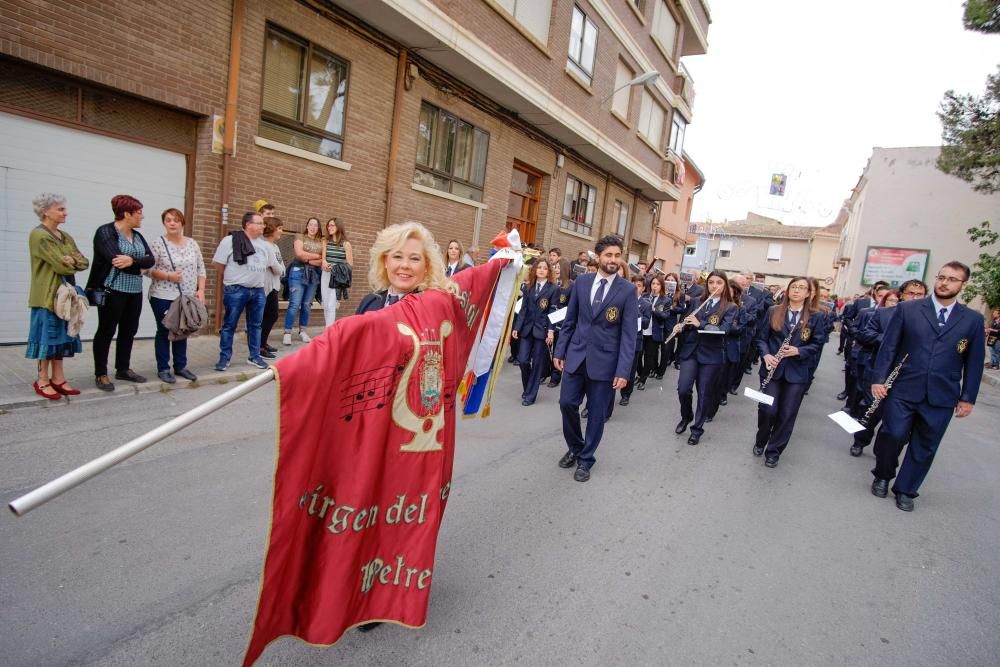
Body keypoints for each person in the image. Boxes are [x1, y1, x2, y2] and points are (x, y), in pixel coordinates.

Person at [869, 262, 985, 511]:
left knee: (926, 445)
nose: (944, 282)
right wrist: (879, 379)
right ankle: (882, 474)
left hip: (942, 394)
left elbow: (974, 362)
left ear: (963, 284)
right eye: (941, 277)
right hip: (903, 388)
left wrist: (968, 397)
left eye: (952, 279)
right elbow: (889, 347)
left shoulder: (973, 320)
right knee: (892, 434)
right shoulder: (908, 310)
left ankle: (906, 489)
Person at [553, 235, 638, 482]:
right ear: (598, 256)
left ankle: (586, 459)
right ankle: (576, 446)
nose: (613, 260)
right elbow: (570, 321)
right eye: (608, 255)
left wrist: (623, 371)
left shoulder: (628, 291)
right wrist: (560, 351)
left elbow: (629, 335)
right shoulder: (582, 283)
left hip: (606, 363)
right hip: (576, 357)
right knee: (567, 404)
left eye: (617, 255)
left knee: (597, 414)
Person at [752, 276, 828, 467]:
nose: (796, 291)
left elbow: (818, 343)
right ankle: (761, 439)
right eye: (794, 287)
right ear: (788, 290)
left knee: (787, 413)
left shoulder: (816, 316)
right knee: (768, 410)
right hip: (772, 369)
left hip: (797, 372)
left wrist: (799, 351)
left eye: (802, 288)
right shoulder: (773, 311)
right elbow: (761, 338)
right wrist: (766, 355)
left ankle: (774, 451)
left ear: (809, 293)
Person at [87, 194, 155, 392]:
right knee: (106, 331)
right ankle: (101, 373)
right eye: (139, 212)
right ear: (126, 214)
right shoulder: (106, 233)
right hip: (112, 291)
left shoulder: (137, 235)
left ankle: (123, 369)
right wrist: (138, 264)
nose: (142, 216)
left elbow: (150, 260)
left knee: (129, 331)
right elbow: (115, 260)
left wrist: (133, 261)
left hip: (134, 292)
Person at [26, 193, 89, 399]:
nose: (65, 212)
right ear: (45, 211)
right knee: (48, 337)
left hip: (67, 294)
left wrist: (71, 260)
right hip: (48, 295)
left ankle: (58, 378)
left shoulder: (66, 236)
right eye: (60, 209)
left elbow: (83, 262)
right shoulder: (39, 235)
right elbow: (60, 264)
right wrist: (69, 260)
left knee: (62, 337)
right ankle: (42, 380)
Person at [213, 211, 281, 371]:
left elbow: (271, 265)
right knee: (230, 324)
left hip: (258, 291)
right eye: (259, 223)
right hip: (236, 289)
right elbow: (218, 264)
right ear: (248, 224)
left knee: (256, 325)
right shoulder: (229, 241)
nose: (263, 226)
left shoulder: (265, 245)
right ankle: (224, 358)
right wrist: (234, 278)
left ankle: (254, 356)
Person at [672, 270, 735, 445]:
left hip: (711, 354)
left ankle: (697, 429)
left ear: (725, 285)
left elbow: (725, 330)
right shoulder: (697, 302)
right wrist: (680, 326)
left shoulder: (730, 307)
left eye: (719, 283)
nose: (714, 286)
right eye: (711, 282)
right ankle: (686, 416)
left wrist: (701, 324)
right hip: (691, 351)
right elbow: (686, 321)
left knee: (704, 393)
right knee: (683, 389)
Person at [146, 208, 206, 383]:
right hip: (163, 295)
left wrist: (200, 289)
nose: (172, 223)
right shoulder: (158, 243)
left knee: (183, 329)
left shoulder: (192, 243)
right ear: (164, 223)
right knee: (165, 330)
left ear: (182, 223)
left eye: (176, 220)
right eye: (168, 220)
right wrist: (168, 276)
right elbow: (147, 269)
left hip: (186, 296)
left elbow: (200, 268)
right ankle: (163, 368)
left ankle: (180, 366)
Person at [512, 258, 558, 406]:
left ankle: (530, 396)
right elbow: (523, 309)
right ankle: (528, 388)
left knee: (537, 363)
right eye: (539, 267)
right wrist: (516, 328)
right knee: (523, 360)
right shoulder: (528, 287)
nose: (542, 270)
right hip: (527, 329)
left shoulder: (553, 289)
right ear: (535, 270)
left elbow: (552, 311)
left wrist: (551, 331)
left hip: (542, 331)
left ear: (548, 271)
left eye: (545, 268)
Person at [283, 217, 323, 345]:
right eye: (310, 224)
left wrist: (309, 259)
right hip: (298, 272)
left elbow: (323, 259)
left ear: (318, 228)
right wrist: (316, 257)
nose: (313, 227)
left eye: (315, 225)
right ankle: (287, 332)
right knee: (294, 303)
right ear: (307, 226)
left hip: (313, 275)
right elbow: (299, 253)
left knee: (306, 304)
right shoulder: (299, 236)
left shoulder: (321, 242)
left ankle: (303, 331)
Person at [619, 275, 650, 406]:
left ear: (643, 289)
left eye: (638, 285)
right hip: (619, 339)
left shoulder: (645, 304)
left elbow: (645, 323)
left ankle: (626, 394)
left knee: (630, 370)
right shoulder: (622, 300)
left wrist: (634, 311)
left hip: (635, 341)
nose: (635, 288)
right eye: (633, 284)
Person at [260, 217, 286, 358]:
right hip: (265, 287)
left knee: (272, 315)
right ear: (272, 228)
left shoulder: (275, 247)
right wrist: (278, 268)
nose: (281, 231)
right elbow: (275, 267)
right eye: (280, 228)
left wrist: (278, 268)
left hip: (274, 286)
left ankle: (263, 343)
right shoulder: (264, 245)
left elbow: (281, 268)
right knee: (265, 316)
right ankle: (259, 347)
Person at [320, 217, 353, 328]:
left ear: (338, 227)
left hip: (337, 276)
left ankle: (328, 332)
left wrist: (335, 267)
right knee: (325, 304)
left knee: (331, 304)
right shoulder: (325, 241)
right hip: (325, 274)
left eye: (332, 225)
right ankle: (328, 329)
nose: (329, 227)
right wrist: (324, 263)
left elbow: (349, 264)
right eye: (328, 225)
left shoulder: (346, 244)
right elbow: (324, 258)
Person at [546, 258, 573, 388]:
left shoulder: (571, 285)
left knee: (558, 350)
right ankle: (545, 372)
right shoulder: (550, 284)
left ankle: (555, 377)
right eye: (554, 267)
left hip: (561, 324)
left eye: (558, 267)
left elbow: (571, 307)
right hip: (547, 322)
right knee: (545, 350)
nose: (555, 269)